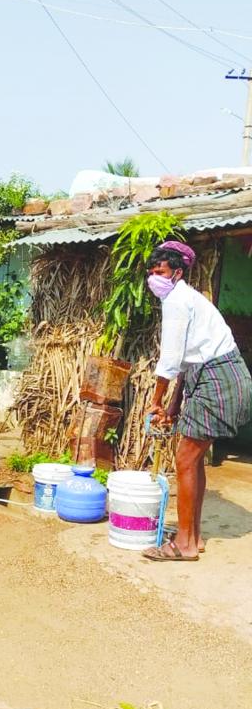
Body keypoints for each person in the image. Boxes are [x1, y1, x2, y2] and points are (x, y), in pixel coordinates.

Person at [143, 239, 252, 562]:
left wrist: (156, 401)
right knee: (193, 459)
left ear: (177, 272)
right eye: (151, 271)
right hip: (218, 378)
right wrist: (174, 407)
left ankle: (186, 544)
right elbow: (189, 363)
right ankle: (194, 536)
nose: (154, 277)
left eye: (160, 270)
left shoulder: (178, 300)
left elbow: (171, 360)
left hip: (218, 381)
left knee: (185, 460)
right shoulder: (187, 298)